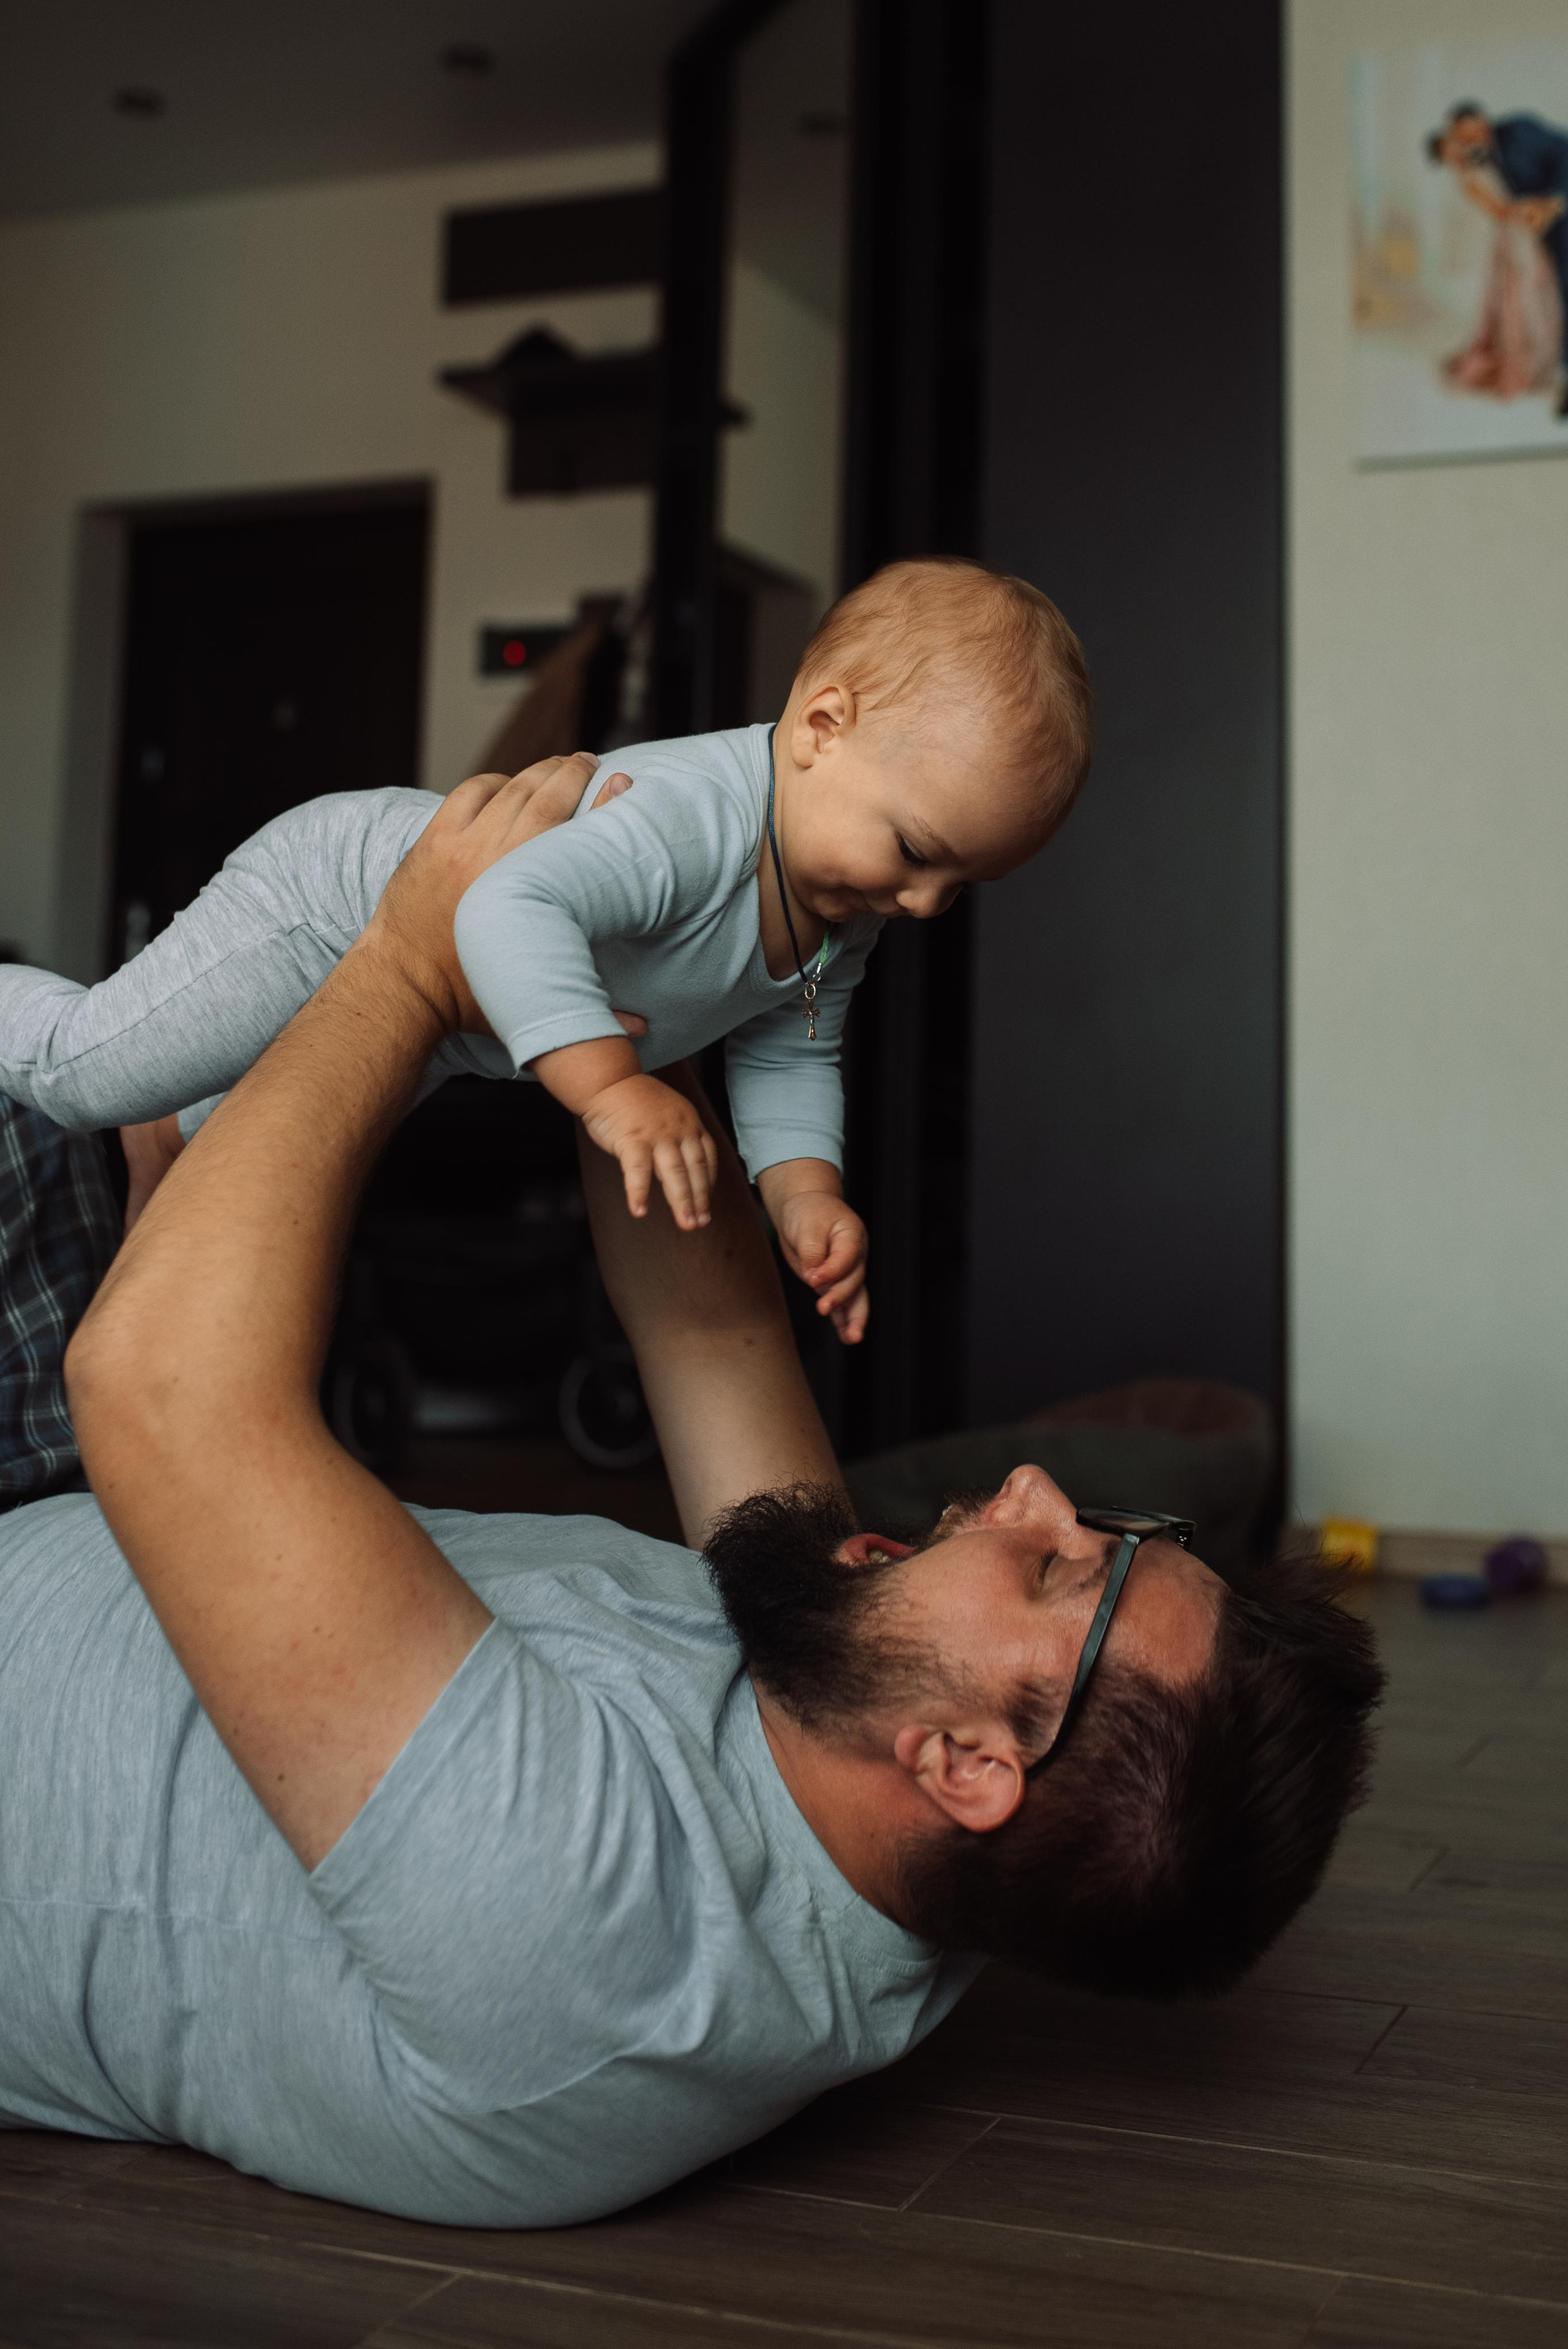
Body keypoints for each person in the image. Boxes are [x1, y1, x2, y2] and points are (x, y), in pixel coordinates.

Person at [0, 756, 1383, 2230]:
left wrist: (409, 956)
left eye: (1056, 1568)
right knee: (116, 1078)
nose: (1037, 1490)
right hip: (74, 1489)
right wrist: (647, 969)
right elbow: (710, 1325)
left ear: (965, 1766)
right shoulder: (857, 1739)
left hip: (102, 1443)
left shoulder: (579, 1919)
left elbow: (160, 1392)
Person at [0, 558, 1092, 1347]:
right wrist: (613, 1089)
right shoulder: (701, 820)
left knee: (243, 1143)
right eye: (918, 852)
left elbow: (793, 1049)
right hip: (334, 910)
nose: (925, 902)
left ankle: (167, 1128)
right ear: (821, 727)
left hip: (446, 1028)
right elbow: (505, 906)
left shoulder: (845, 904)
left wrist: (807, 1197)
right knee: (81, 1072)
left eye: (962, 883)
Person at [1430, 102, 1568, 414]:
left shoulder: (1516, 131)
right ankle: (1534, 364)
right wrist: (1528, 211)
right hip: (1518, 233)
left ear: (1479, 121)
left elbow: (1563, 152)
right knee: (1524, 297)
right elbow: (1499, 208)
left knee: (1544, 294)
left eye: (1463, 134)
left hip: (1539, 226)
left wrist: (1549, 203)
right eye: (1456, 140)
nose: (1464, 141)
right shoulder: (1470, 173)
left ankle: (1547, 364)